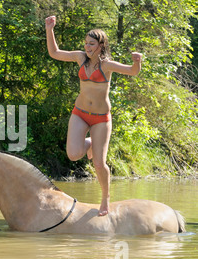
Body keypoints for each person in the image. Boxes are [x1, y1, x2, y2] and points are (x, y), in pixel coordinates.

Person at [45, 15, 142, 216]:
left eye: (91, 44)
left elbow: (132, 72)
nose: (87, 47)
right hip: (80, 113)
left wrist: (137, 61)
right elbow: (54, 52)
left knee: (99, 163)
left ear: (101, 45)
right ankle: (89, 143)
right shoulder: (80, 58)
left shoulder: (106, 65)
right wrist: (49, 29)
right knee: (73, 155)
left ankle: (105, 198)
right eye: (86, 43)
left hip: (100, 119)